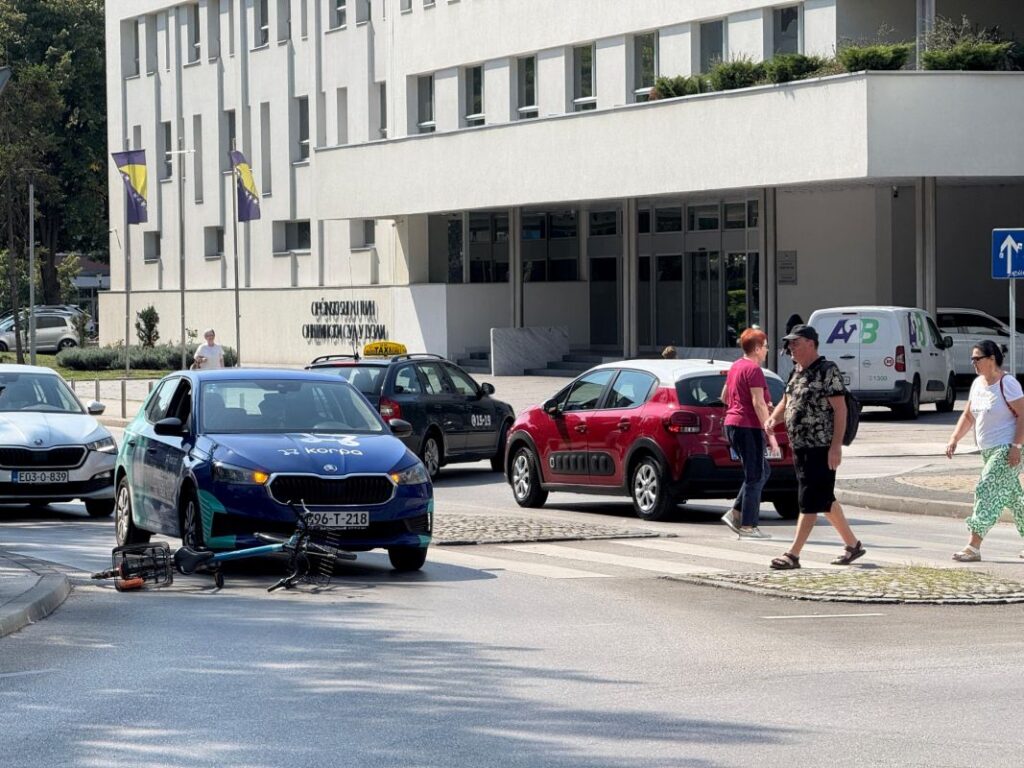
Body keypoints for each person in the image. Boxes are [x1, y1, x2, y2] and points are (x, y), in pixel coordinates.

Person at [764, 324, 866, 569]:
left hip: (821, 447)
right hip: (801, 447)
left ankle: (793, 554)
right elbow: (786, 400)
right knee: (824, 499)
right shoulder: (796, 371)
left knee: (809, 500)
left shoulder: (827, 370)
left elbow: (840, 410)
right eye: (789, 343)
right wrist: (773, 419)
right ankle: (853, 546)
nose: (790, 348)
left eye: (795, 343)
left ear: (811, 343)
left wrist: (836, 447)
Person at [945, 340, 1024, 561]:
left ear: (991, 359)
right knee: (1015, 499)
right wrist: (954, 438)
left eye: (977, 358)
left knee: (986, 488)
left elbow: (1023, 416)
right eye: (972, 359)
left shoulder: (1008, 383)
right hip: (987, 450)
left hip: (1008, 448)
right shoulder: (978, 384)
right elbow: (968, 415)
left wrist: (1016, 447)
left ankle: (973, 546)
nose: (974, 363)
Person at [720, 328, 778, 539]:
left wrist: (739, 402)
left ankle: (735, 512)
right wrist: (769, 430)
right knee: (755, 475)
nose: (767, 350)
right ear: (756, 348)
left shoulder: (735, 366)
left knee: (763, 470)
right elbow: (758, 402)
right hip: (747, 426)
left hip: (733, 423)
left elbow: (724, 396)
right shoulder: (754, 370)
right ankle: (748, 525)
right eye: (765, 346)